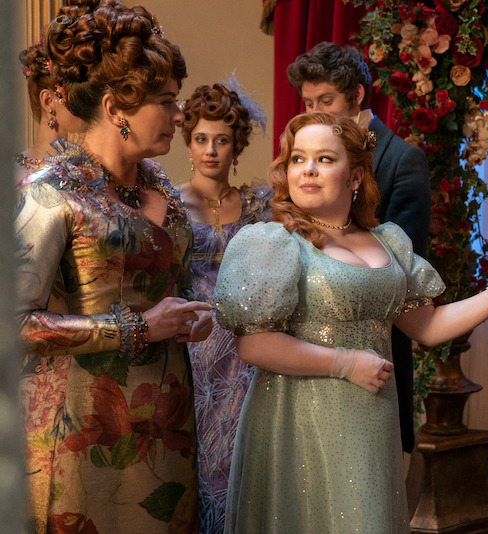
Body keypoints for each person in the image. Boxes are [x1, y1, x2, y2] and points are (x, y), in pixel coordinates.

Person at [214, 112, 488, 533]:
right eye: (298, 159)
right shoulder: (272, 242)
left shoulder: (388, 240)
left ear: (355, 177)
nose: (308, 169)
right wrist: (345, 363)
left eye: (325, 159)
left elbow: (427, 326)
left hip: (371, 419)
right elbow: (254, 345)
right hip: (299, 421)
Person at [15, 2, 213, 532]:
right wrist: (139, 327)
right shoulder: (48, 193)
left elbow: (168, 287)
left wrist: (192, 315)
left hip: (167, 429)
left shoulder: (162, 189)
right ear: (115, 107)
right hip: (79, 431)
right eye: (167, 102)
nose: (179, 116)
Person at [287, 41, 432, 453]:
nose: (317, 110)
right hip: (307, 341)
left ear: (357, 95)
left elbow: (403, 269)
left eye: (327, 99)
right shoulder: (306, 160)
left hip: (374, 342)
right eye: (309, 101)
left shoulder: (402, 160)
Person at [177, 80, 272, 534]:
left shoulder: (259, 207)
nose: (211, 150)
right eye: (201, 139)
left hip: (249, 349)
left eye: (222, 140)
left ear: (237, 146)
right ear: (188, 143)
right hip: (193, 349)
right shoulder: (168, 205)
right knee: (196, 459)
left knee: (243, 459)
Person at [16, 41, 85, 185]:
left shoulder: (88, 173)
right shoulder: (9, 172)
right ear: (48, 101)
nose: (85, 106)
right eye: (74, 96)